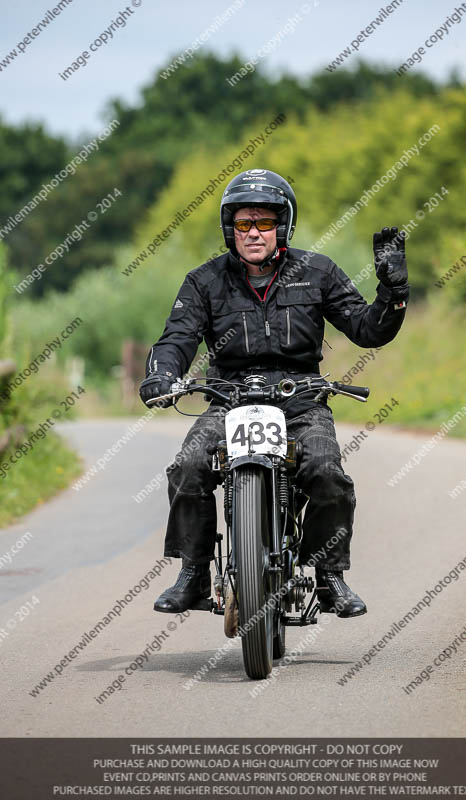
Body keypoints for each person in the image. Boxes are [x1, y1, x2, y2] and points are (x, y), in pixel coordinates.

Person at [139, 168, 408, 619]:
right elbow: (177, 338)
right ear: (231, 229)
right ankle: (193, 573)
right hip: (229, 397)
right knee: (187, 467)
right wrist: (162, 374)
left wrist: (393, 292)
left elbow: (367, 329)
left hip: (300, 399)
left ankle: (329, 578)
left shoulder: (317, 272)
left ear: (283, 225)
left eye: (264, 222)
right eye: (244, 223)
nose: (254, 233)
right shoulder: (203, 282)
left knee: (327, 473)